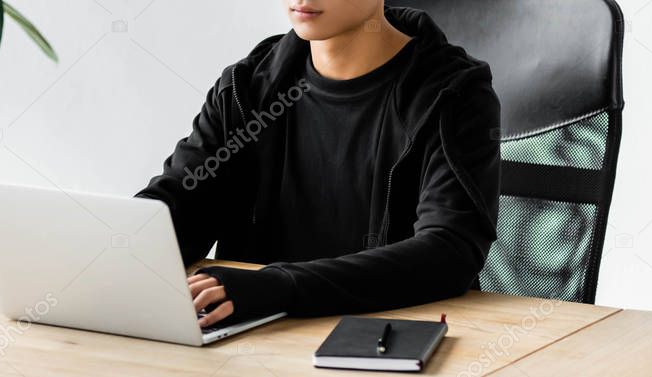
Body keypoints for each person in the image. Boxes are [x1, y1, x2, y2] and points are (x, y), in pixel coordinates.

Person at [137, 0, 501, 328]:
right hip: (250, 342)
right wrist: (112, 245)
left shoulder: (454, 93)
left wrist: (278, 286)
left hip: (382, 347)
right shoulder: (247, 87)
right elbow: (183, 205)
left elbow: (448, 255)